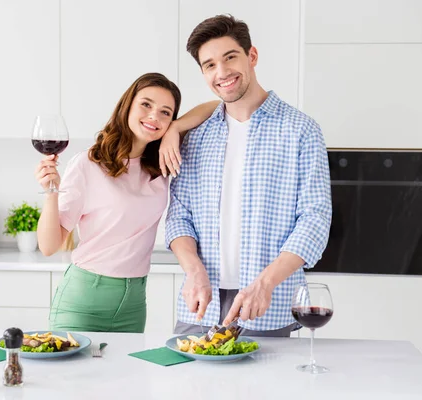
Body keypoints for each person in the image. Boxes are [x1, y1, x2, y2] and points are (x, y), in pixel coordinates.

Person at [165, 15, 332, 337]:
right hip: (200, 303)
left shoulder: (300, 129)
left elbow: (314, 218)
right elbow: (178, 215)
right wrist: (193, 270)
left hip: (266, 303)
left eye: (230, 58)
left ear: (251, 56)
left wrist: (264, 283)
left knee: (266, 387)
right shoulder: (196, 134)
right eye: (209, 65)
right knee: (187, 388)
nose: (222, 73)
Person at [35, 72, 216, 333]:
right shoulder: (88, 163)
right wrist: (50, 191)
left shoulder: (162, 163)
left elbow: (217, 105)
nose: (155, 116)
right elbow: (49, 246)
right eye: (146, 105)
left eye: (166, 113)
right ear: (127, 105)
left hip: (134, 302)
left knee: (127, 375)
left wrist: (176, 128)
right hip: (84, 300)